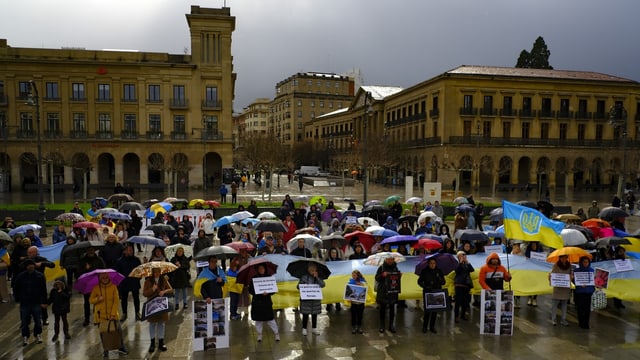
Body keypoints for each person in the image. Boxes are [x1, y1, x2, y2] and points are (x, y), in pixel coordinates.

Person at [90, 272, 128, 357]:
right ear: (99, 278)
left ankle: (121, 347)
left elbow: (116, 301)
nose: (105, 279)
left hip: (113, 315)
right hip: (100, 316)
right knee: (103, 333)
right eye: (102, 277)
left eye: (106, 277)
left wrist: (113, 314)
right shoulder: (96, 288)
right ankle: (105, 349)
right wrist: (97, 299)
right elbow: (91, 300)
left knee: (118, 331)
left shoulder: (113, 287)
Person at [13, 259, 47, 346]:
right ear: (26, 267)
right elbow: (16, 288)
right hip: (25, 302)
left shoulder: (40, 276)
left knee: (38, 321)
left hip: (36, 302)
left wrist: (44, 301)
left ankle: (38, 335)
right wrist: (17, 299)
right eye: (28, 265)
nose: (30, 266)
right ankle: (25, 337)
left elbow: (43, 289)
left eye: (32, 265)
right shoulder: (20, 276)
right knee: (24, 322)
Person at [143, 267, 173, 353]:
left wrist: (164, 292)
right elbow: (144, 293)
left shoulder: (163, 279)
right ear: (152, 272)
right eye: (155, 272)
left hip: (162, 305)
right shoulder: (148, 281)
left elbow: (171, 290)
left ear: (160, 272)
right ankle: (152, 343)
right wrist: (152, 289)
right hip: (152, 306)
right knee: (152, 324)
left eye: (158, 271)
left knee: (161, 323)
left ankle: (161, 342)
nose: (156, 273)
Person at [249, 263, 280, 342]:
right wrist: (258, 292)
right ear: (257, 270)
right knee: (258, 320)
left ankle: (276, 334)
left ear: (265, 269)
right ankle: (259, 335)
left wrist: (268, 293)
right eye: (259, 269)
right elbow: (250, 290)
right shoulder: (254, 278)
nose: (261, 270)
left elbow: (273, 290)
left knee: (270, 319)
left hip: (266, 302)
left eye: (262, 268)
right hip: (257, 302)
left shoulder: (269, 277)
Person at [78, 247, 106, 326]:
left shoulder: (99, 259)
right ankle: (87, 318)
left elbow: (103, 270)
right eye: (89, 250)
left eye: (92, 250)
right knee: (86, 302)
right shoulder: (83, 260)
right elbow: (79, 272)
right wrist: (86, 269)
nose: (91, 251)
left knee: (97, 301)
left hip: (97, 283)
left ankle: (97, 317)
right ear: (87, 251)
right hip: (87, 284)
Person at [114, 243, 142, 322]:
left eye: (132, 250)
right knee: (124, 299)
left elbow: (140, 270)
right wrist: (120, 281)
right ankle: (124, 313)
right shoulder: (119, 261)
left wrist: (138, 278)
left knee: (136, 298)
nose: (131, 252)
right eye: (129, 250)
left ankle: (137, 312)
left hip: (134, 282)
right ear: (124, 251)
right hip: (124, 283)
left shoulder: (136, 260)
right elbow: (117, 272)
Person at [418, 257, 446, 333]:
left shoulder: (439, 271)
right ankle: (425, 326)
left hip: (437, 292)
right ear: (428, 264)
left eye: (434, 263)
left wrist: (439, 278)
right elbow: (419, 281)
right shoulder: (424, 271)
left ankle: (432, 326)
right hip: (428, 292)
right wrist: (425, 286)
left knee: (435, 311)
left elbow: (444, 282)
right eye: (431, 263)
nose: (432, 265)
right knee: (427, 311)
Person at [298, 263, 325, 336]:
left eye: (314, 269)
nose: (312, 271)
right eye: (311, 269)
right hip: (306, 300)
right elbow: (298, 286)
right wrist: (304, 285)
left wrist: (317, 278)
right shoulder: (304, 277)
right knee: (305, 315)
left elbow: (323, 285)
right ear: (308, 270)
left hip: (315, 300)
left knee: (314, 314)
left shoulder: (318, 277)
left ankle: (314, 328)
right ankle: (304, 329)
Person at [376, 256, 401, 333]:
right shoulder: (381, 268)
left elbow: (396, 280)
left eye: (391, 259)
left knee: (392, 308)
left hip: (392, 291)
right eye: (388, 259)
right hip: (383, 291)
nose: (390, 261)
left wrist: (399, 276)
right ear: (385, 259)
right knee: (382, 309)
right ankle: (382, 325)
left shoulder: (395, 267)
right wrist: (383, 275)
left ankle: (391, 325)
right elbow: (377, 278)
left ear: (393, 260)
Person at [549, 255, 573, 326]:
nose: (564, 259)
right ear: (559, 258)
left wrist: (571, 277)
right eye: (562, 257)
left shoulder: (569, 266)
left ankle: (563, 319)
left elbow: (570, 275)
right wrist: (550, 277)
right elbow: (552, 275)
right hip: (558, 288)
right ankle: (553, 319)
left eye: (565, 257)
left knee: (564, 305)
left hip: (565, 288)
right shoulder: (556, 265)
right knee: (554, 304)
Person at [574, 256, 595, 329]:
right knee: (580, 308)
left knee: (587, 309)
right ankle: (581, 323)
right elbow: (574, 282)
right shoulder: (576, 271)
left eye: (587, 262)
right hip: (580, 292)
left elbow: (594, 281)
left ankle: (586, 323)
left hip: (589, 292)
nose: (586, 263)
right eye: (584, 262)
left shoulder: (592, 271)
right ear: (581, 262)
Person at [454, 251, 474, 322]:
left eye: (464, 255)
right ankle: (456, 316)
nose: (463, 257)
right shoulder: (457, 264)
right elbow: (457, 271)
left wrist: (467, 262)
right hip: (459, 284)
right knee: (458, 301)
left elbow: (472, 270)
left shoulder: (467, 264)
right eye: (461, 256)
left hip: (466, 285)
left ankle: (463, 315)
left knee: (465, 301)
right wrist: (460, 262)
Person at [348, 270, 366, 334]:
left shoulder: (363, 281)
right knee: (353, 315)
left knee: (360, 315)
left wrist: (361, 284)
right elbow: (348, 291)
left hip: (361, 302)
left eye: (354, 275)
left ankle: (359, 326)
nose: (353, 276)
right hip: (353, 302)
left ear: (358, 275)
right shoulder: (350, 282)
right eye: (352, 275)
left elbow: (366, 289)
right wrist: (348, 298)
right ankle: (354, 327)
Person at [524, 242, 543, 306]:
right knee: (529, 283)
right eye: (533, 243)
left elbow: (542, 258)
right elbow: (526, 257)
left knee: (536, 284)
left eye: (535, 243)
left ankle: (534, 298)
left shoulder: (540, 248)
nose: (534, 244)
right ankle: (529, 298)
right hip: (529, 269)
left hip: (538, 269)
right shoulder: (528, 248)